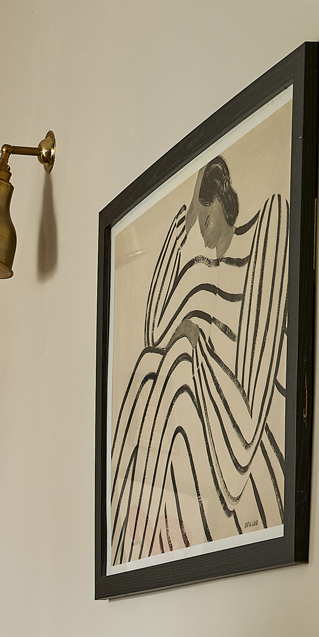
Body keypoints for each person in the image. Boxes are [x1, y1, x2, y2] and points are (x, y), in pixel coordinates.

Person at [107, 154, 289, 567]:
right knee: (149, 365)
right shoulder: (199, 272)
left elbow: (253, 394)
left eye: (207, 217)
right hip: (204, 421)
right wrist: (186, 218)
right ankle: (124, 553)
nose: (204, 230)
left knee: (179, 357)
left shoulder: (265, 231)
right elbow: (153, 333)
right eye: (200, 219)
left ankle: (130, 554)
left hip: (246, 428)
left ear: (225, 205)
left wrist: (196, 343)